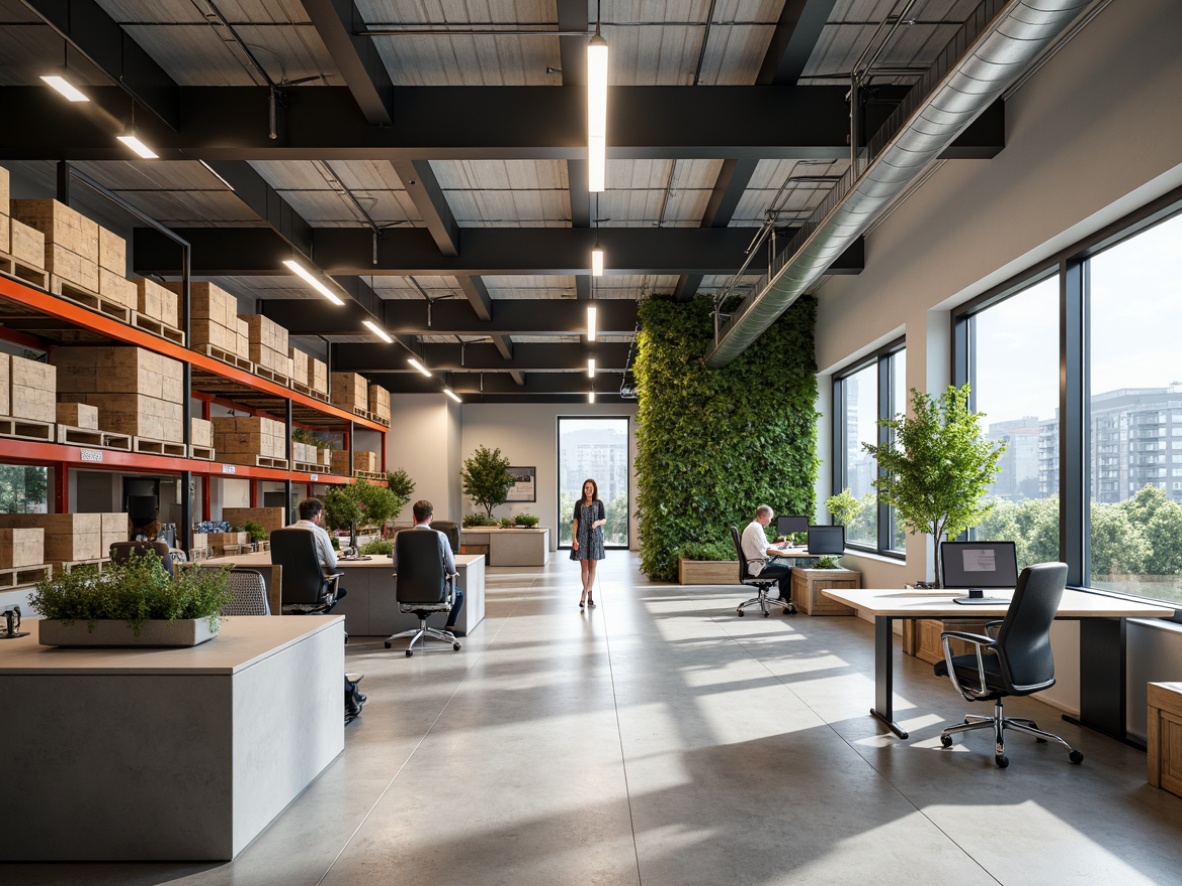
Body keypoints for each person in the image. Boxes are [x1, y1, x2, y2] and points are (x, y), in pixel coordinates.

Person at [394, 499, 465, 637]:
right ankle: (449, 628)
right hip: (435, 591)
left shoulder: (400, 536)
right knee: (459, 594)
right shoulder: (440, 536)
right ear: (431, 517)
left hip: (407, 591)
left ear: (413, 517)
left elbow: (396, 565)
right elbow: (451, 568)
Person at [740, 504, 793, 604]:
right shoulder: (756, 528)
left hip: (755, 564)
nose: (771, 519)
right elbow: (764, 550)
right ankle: (785, 600)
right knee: (787, 570)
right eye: (770, 517)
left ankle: (782, 597)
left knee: (782, 566)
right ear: (763, 516)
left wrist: (777, 545)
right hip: (758, 567)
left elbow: (764, 546)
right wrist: (777, 548)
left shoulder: (754, 526)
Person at [571, 478, 607, 609]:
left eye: (591, 488)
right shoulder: (579, 504)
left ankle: (585, 595)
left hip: (595, 538)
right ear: (583, 489)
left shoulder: (599, 503)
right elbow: (575, 522)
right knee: (584, 569)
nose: (588, 490)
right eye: (586, 488)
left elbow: (604, 519)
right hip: (582, 537)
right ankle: (588, 596)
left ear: (594, 489)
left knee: (593, 568)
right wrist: (574, 538)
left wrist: (597, 523)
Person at [291, 497, 338, 576]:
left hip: (287, 585)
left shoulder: (284, 532)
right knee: (341, 589)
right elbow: (332, 563)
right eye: (320, 514)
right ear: (316, 516)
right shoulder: (320, 533)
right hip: (313, 585)